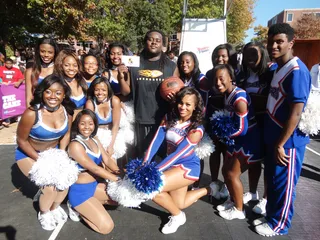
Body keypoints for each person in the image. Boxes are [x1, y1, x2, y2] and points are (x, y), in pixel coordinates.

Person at [254, 23, 311, 237]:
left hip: (287, 142)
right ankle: (271, 216)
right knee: (272, 181)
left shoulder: (297, 71)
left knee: (284, 185)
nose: (274, 46)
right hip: (274, 137)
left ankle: (280, 224)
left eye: (279, 41)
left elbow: (296, 112)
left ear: (291, 43)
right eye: (271, 42)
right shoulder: (278, 67)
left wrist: (280, 143)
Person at [143, 87, 211, 234]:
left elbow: (177, 155)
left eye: (188, 104)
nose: (183, 107)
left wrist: (154, 171)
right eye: (181, 102)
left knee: (151, 187)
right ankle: (210, 189)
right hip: (171, 166)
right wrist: (145, 162)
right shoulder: (169, 117)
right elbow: (156, 139)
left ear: (195, 107)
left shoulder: (196, 129)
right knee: (179, 203)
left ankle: (178, 216)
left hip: (187, 168)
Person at [15, 75, 74, 230]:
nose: (53, 96)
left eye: (58, 93)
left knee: (64, 182)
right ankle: (44, 212)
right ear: (42, 93)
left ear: (64, 95)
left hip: (54, 153)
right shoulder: (32, 113)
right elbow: (21, 141)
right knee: (49, 187)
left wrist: (62, 154)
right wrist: (41, 159)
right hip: (30, 154)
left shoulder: (67, 112)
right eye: (48, 92)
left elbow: (67, 134)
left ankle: (54, 208)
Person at [211, 64, 262, 220]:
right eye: (215, 80)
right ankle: (233, 200)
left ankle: (239, 210)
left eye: (222, 79)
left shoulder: (239, 98)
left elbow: (242, 129)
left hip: (249, 139)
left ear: (231, 78)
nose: (218, 83)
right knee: (226, 171)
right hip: (237, 139)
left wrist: (223, 135)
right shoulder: (227, 94)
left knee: (232, 173)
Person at [67, 109, 121, 235]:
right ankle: (76, 207)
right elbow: (95, 168)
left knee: (119, 198)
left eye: (90, 123)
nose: (87, 127)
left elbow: (107, 159)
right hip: (80, 193)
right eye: (82, 123)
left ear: (95, 125)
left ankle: (91, 205)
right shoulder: (75, 145)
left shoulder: (94, 139)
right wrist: (117, 179)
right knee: (107, 228)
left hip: (94, 186)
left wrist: (120, 172)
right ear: (77, 125)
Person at [238, 41, 275, 215]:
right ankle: (253, 192)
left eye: (254, 54)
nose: (250, 58)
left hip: (267, 123)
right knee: (253, 162)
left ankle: (267, 199)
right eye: (246, 55)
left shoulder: (271, 73)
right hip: (250, 126)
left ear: (262, 55)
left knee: (268, 163)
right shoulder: (242, 76)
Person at [130, 30, 176, 157]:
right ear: (145, 42)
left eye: (158, 40)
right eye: (151, 39)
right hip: (142, 118)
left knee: (163, 158)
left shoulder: (171, 66)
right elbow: (126, 91)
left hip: (163, 120)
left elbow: (179, 92)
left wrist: (174, 98)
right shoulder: (133, 63)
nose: (154, 42)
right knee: (144, 157)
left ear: (162, 44)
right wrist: (122, 76)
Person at [206, 43, 237, 200]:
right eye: (217, 56)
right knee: (214, 151)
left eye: (223, 55)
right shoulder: (209, 74)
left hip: (231, 121)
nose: (220, 58)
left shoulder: (237, 74)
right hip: (214, 118)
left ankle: (226, 184)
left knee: (228, 152)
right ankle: (214, 182)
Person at [85, 77, 121, 157]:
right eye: (97, 90)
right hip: (96, 136)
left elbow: (116, 125)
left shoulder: (114, 101)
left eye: (103, 90)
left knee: (112, 157)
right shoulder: (90, 103)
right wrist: (101, 147)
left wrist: (111, 145)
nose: (100, 93)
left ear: (108, 90)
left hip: (113, 135)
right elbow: (91, 129)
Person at [25, 38, 59, 107]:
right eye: (42, 51)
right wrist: (30, 114)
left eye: (50, 52)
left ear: (55, 53)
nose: (46, 55)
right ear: (38, 51)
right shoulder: (30, 72)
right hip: (37, 110)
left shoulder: (59, 71)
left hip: (56, 112)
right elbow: (29, 97)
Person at [54, 49, 87, 116]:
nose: (71, 68)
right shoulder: (57, 84)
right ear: (61, 66)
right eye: (67, 65)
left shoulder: (82, 80)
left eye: (75, 65)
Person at [0, 57, 25, 128]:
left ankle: (15, 116)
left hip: (14, 90)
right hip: (3, 91)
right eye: (7, 63)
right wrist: (2, 82)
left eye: (10, 63)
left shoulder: (16, 70)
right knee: (5, 105)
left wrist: (19, 82)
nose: (9, 65)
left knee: (14, 104)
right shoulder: (1, 69)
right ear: (5, 63)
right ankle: (6, 119)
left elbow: (21, 78)